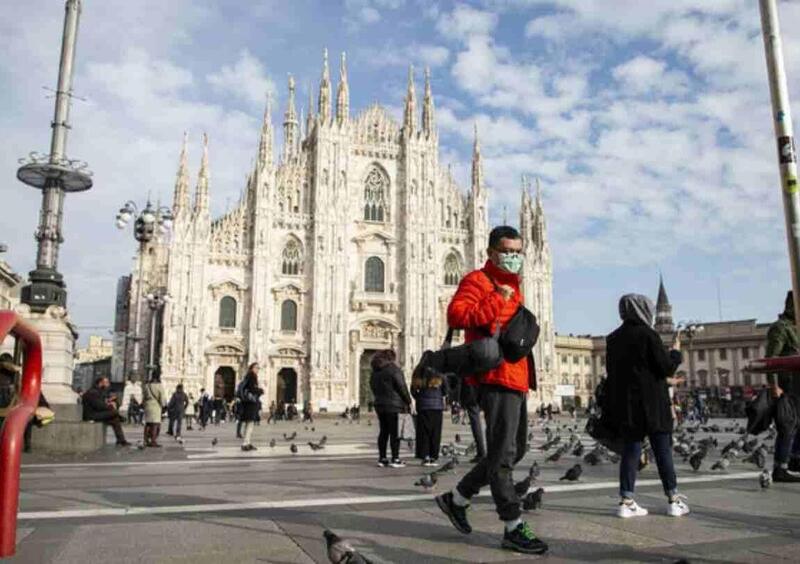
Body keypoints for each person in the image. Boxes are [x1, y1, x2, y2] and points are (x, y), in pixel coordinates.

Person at [434, 225, 547, 555]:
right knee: (501, 456)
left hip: (516, 378)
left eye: (517, 252)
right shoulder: (478, 281)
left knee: (517, 449)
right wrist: (497, 297)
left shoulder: (515, 285)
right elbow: (457, 314)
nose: (513, 257)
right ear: (491, 252)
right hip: (494, 378)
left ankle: (456, 499)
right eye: (507, 251)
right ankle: (512, 526)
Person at [604, 294, 689, 518]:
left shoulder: (613, 339)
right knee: (662, 452)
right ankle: (673, 500)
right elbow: (666, 368)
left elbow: (612, 374)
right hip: (654, 404)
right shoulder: (649, 335)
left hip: (628, 406)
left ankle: (626, 500)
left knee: (631, 452)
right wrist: (676, 353)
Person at [766, 290, 800, 482]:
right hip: (787, 384)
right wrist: (773, 385)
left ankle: (795, 459)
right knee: (788, 425)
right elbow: (771, 359)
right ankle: (781, 468)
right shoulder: (781, 327)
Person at [370, 349, 412, 468]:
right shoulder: (394, 370)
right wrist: (408, 401)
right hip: (394, 405)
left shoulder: (375, 371)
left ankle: (382, 458)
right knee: (395, 433)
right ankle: (395, 459)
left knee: (383, 432)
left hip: (380, 405)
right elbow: (402, 387)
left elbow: (372, 386)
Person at [412, 364, 448, 466]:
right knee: (435, 432)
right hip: (437, 407)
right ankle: (433, 456)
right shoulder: (440, 372)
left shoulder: (418, 373)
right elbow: (446, 390)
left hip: (423, 406)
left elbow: (413, 390)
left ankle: (425, 456)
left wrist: (419, 397)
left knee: (423, 432)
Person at [82, 376, 130, 446]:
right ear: (101, 383)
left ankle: (121, 440)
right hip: (91, 415)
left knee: (115, 419)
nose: (108, 385)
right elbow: (99, 406)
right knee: (114, 412)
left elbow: (101, 404)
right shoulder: (93, 392)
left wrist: (109, 401)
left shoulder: (98, 391)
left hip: (96, 413)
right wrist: (109, 405)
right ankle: (121, 419)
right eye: (106, 382)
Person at [239, 363, 264, 451]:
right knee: (250, 423)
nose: (258, 370)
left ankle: (247, 442)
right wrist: (260, 390)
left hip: (247, 403)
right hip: (251, 403)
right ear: (252, 368)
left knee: (248, 423)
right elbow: (253, 389)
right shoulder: (252, 376)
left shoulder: (247, 376)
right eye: (257, 368)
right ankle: (246, 443)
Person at [142, 371, 166, 447]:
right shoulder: (159, 386)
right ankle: (153, 441)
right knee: (155, 424)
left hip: (148, 405)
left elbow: (144, 396)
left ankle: (145, 440)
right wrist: (164, 406)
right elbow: (162, 397)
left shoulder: (147, 385)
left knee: (148, 423)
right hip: (156, 406)